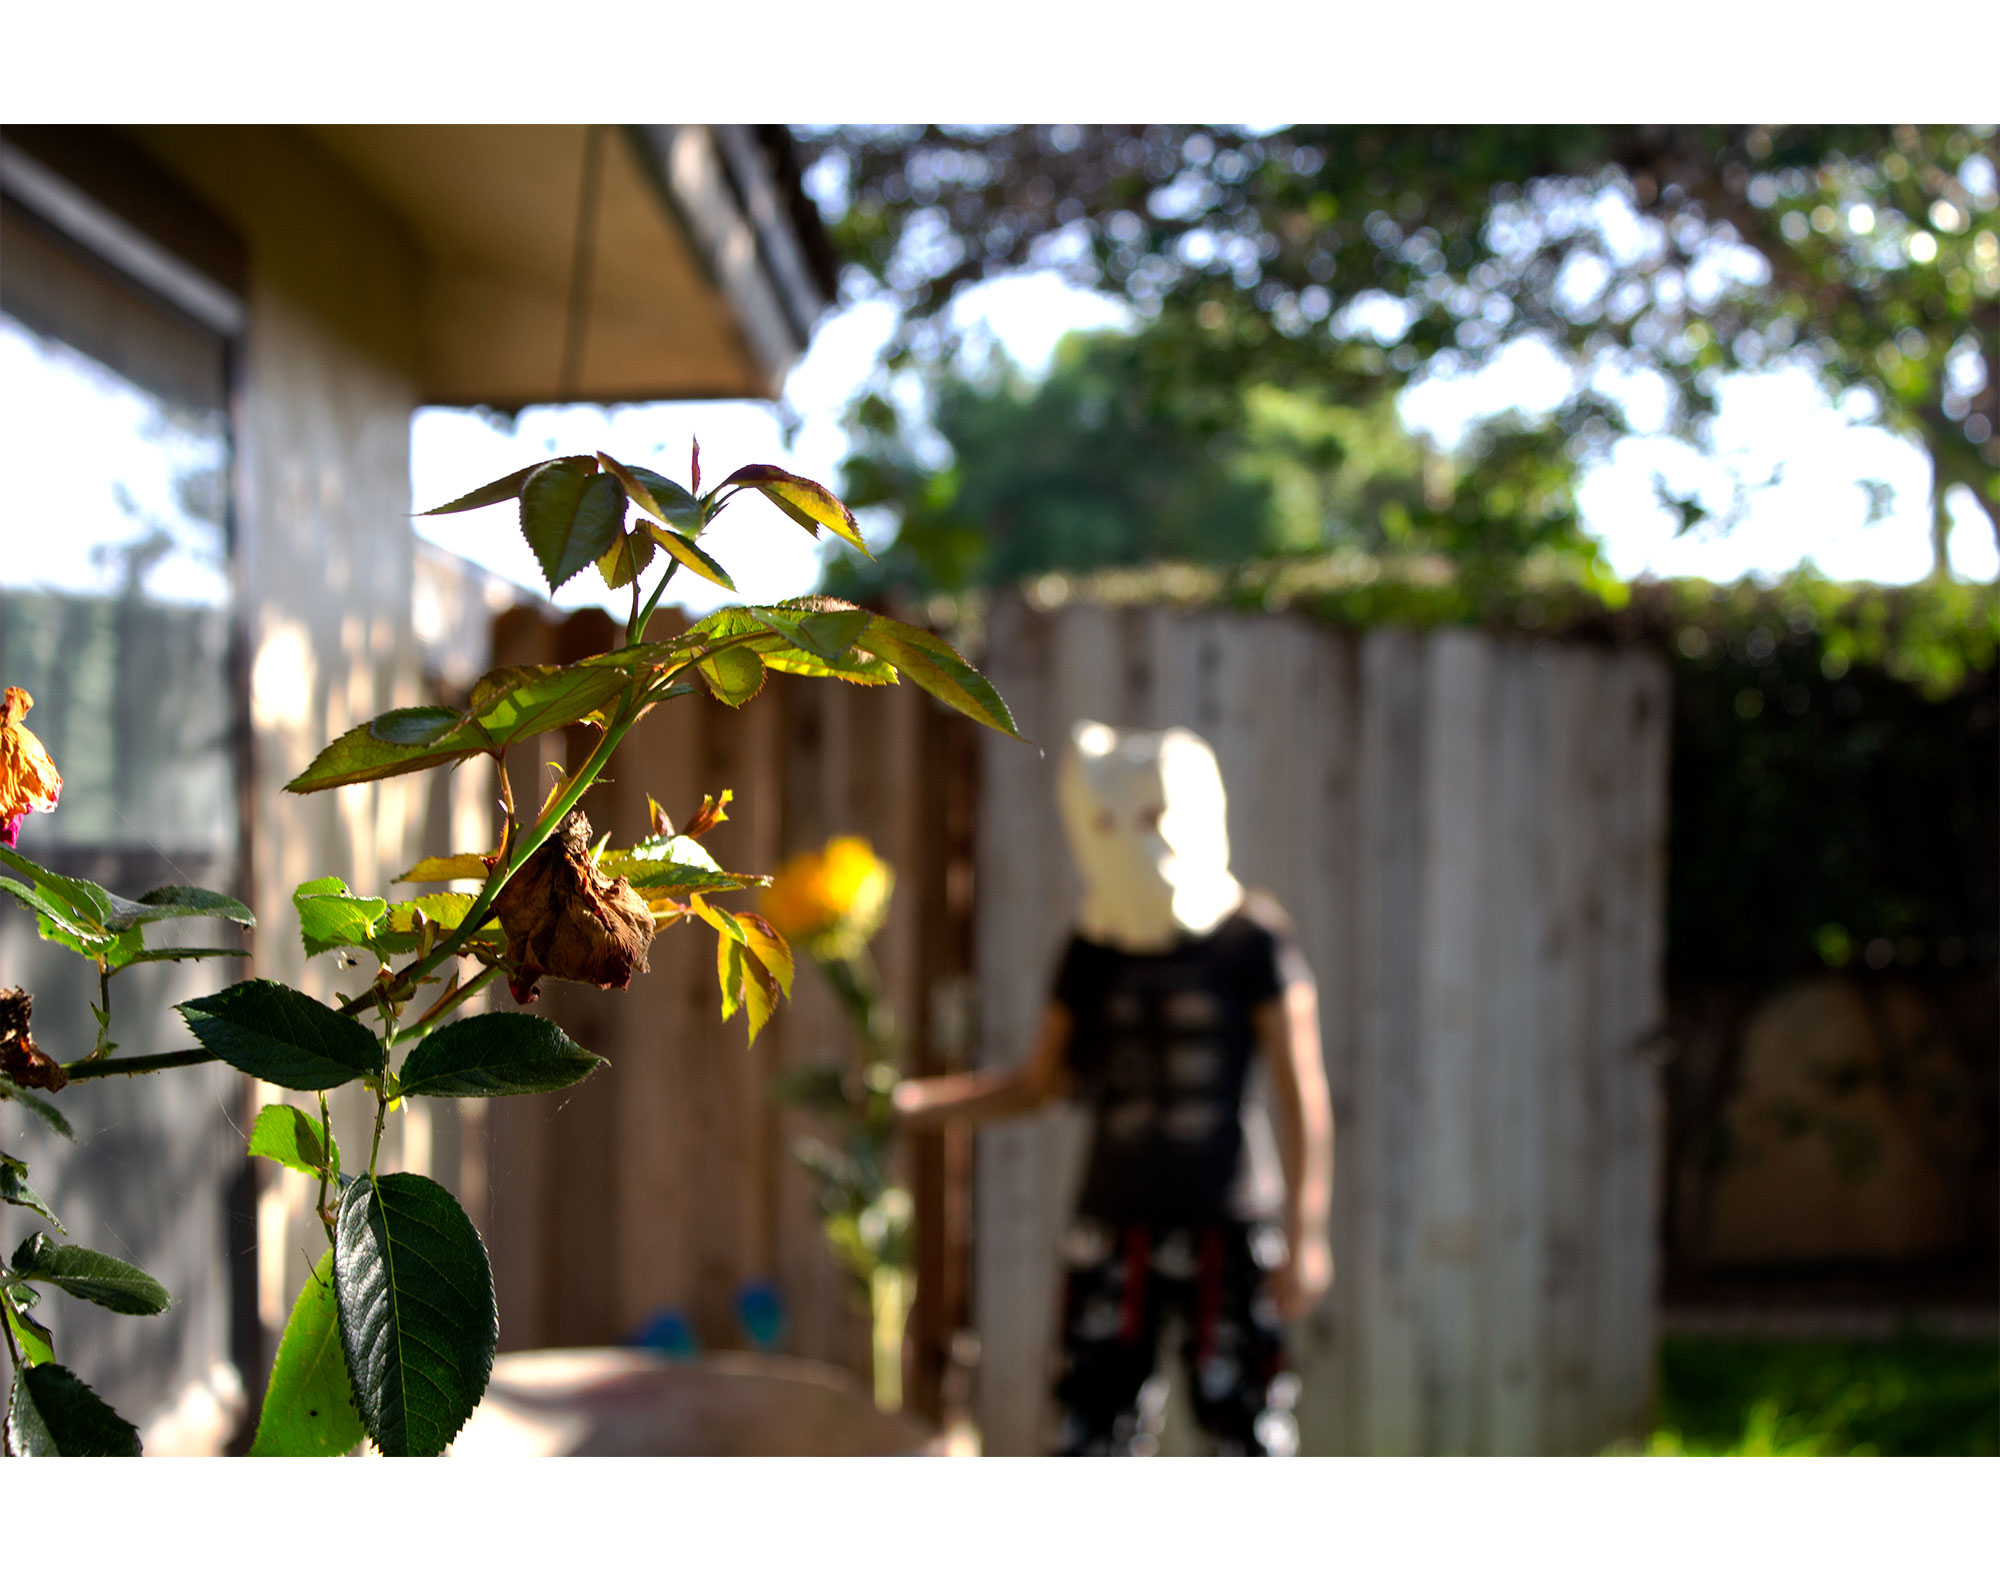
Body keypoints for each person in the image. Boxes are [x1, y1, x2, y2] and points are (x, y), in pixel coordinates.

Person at [895, 720, 1333, 1455]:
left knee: (1247, 1436)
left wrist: (1307, 1231)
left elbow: (1301, 1093)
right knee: (1089, 1437)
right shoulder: (1090, 949)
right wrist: (919, 1105)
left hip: (1229, 1230)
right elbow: (1039, 1082)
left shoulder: (1254, 940)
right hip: (1111, 1228)